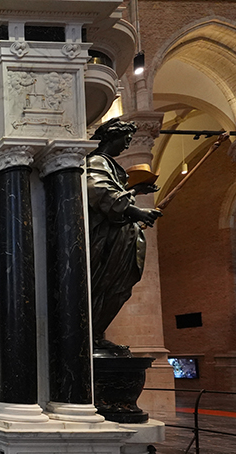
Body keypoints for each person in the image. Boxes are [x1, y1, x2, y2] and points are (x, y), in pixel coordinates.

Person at [86, 118, 162, 353]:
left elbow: (112, 196)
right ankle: (91, 334)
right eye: (125, 139)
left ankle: (96, 334)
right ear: (111, 137)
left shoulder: (108, 164)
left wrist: (135, 191)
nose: (127, 144)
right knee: (104, 286)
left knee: (118, 287)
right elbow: (98, 191)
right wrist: (136, 211)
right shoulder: (97, 161)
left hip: (118, 238)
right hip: (106, 241)